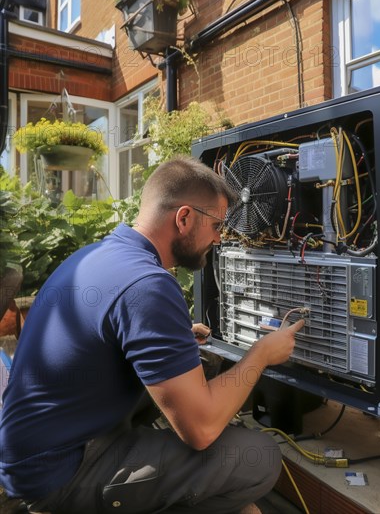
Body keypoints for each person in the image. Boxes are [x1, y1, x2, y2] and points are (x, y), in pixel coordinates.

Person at [0, 156, 304, 514]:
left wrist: (173, 337)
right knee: (259, 458)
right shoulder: (148, 284)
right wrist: (262, 354)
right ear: (185, 218)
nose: (220, 239)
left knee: (196, 371)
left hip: (33, 455)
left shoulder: (100, 254)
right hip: (59, 476)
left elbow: (106, 334)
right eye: (218, 225)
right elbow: (202, 429)